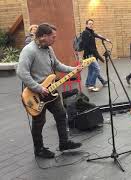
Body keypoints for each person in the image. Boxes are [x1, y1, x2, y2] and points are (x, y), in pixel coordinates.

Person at [16, 23, 82, 159]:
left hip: (50, 91)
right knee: (39, 122)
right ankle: (39, 149)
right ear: (43, 37)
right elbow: (21, 72)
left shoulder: (48, 49)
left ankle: (64, 143)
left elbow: (57, 65)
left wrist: (73, 69)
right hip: (35, 94)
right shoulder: (29, 50)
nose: (55, 39)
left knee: (61, 114)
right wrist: (38, 88)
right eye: (53, 37)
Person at [82, 19, 108, 92]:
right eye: (89, 24)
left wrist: (105, 39)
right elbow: (89, 47)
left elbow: (97, 35)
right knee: (97, 69)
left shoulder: (91, 32)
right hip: (89, 55)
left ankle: (88, 83)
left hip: (92, 55)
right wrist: (100, 58)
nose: (91, 25)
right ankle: (91, 85)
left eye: (92, 24)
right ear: (86, 25)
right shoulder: (85, 33)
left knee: (91, 70)